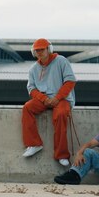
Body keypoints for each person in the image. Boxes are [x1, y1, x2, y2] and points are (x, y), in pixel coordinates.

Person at [21, 38, 76, 166]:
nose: (39, 52)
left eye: (42, 49)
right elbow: (31, 88)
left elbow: (70, 82)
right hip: (44, 99)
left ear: (49, 49)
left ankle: (62, 155)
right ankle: (34, 144)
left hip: (61, 99)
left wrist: (57, 98)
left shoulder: (61, 61)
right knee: (27, 108)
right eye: (37, 50)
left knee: (61, 114)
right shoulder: (33, 68)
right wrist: (44, 99)